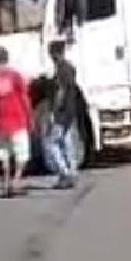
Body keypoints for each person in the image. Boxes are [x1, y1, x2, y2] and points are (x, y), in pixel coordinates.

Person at [0, 45, 32, 197]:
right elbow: (24, 98)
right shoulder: (15, 76)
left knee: (3, 153)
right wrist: (29, 117)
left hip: (0, 121)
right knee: (21, 153)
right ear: (7, 58)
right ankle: (16, 181)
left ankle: (5, 183)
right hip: (18, 119)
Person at [43, 39, 81, 189]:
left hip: (62, 112)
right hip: (71, 110)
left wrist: (54, 111)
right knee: (66, 141)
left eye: (51, 53)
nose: (50, 56)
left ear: (55, 53)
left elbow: (61, 91)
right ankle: (72, 171)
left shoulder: (61, 69)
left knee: (51, 143)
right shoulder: (70, 68)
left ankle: (64, 173)